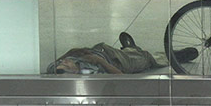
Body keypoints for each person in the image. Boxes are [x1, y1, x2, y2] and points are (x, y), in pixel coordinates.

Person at [48, 32, 198, 74]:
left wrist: (73, 52)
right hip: (119, 63)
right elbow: (120, 76)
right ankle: (174, 57)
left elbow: (55, 65)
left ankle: (131, 48)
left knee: (133, 53)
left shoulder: (56, 67)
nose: (64, 61)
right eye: (65, 64)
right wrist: (99, 61)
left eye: (62, 62)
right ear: (72, 73)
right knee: (146, 58)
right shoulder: (88, 73)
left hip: (104, 50)